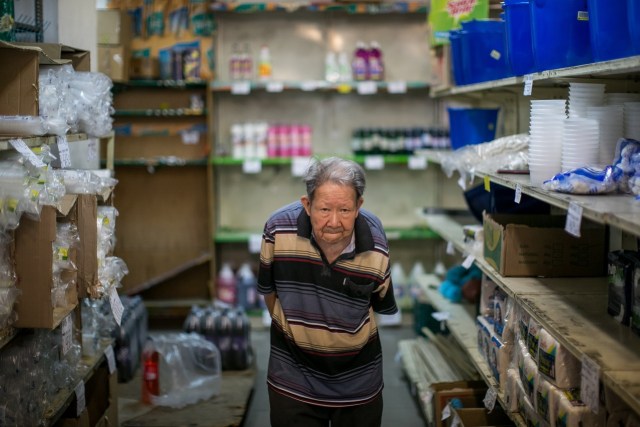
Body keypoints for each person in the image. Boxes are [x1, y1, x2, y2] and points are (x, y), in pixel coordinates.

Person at [257, 157, 398, 427]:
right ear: (307, 205)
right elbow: (270, 294)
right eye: (324, 209)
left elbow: (378, 305)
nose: (334, 222)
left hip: (358, 381)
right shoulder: (277, 230)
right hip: (292, 376)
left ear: (359, 206)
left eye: (345, 210)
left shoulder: (376, 243)